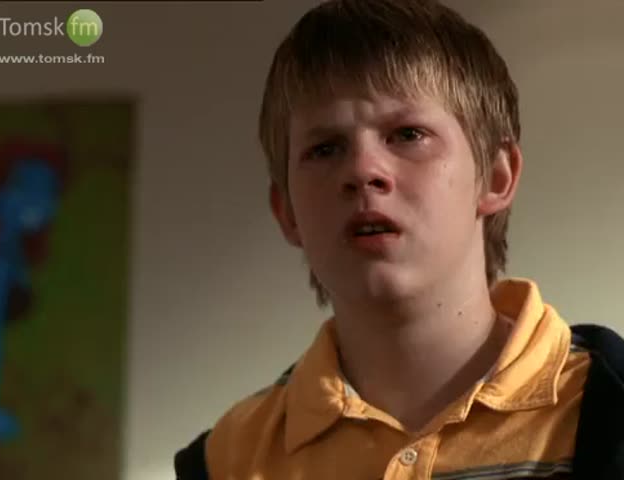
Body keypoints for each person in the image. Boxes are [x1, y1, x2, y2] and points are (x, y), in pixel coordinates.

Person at [175, 1, 624, 478]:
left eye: (408, 134)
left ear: (496, 176)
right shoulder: (227, 459)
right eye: (324, 149)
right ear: (286, 211)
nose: (362, 170)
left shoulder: (606, 407)